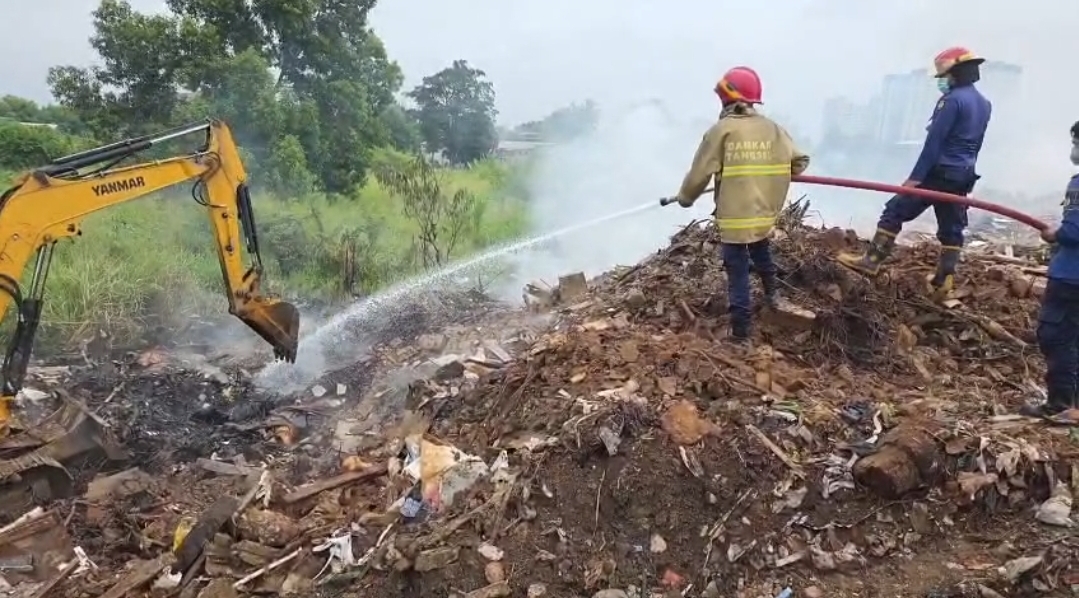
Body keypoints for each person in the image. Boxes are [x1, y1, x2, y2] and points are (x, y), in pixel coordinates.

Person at [665, 66, 810, 342]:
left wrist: (685, 199)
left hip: (734, 217)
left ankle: (741, 335)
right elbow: (800, 162)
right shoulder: (774, 129)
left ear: (726, 99)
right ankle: (773, 296)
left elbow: (698, 175)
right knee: (761, 249)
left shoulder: (721, 131)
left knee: (737, 270)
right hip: (764, 213)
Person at [837, 47, 992, 299]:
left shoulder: (951, 101)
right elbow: (977, 144)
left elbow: (934, 144)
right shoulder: (984, 104)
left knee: (895, 210)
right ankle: (944, 281)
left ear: (957, 73)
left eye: (946, 75)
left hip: (938, 172)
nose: (943, 81)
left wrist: (914, 179)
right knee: (952, 227)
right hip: (962, 174)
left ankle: (872, 260)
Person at [1020, 121, 1079, 419]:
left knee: (1056, 337)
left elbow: (1075, 230)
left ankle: (1063, 405)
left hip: (1072, 276)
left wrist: (1055, 233)